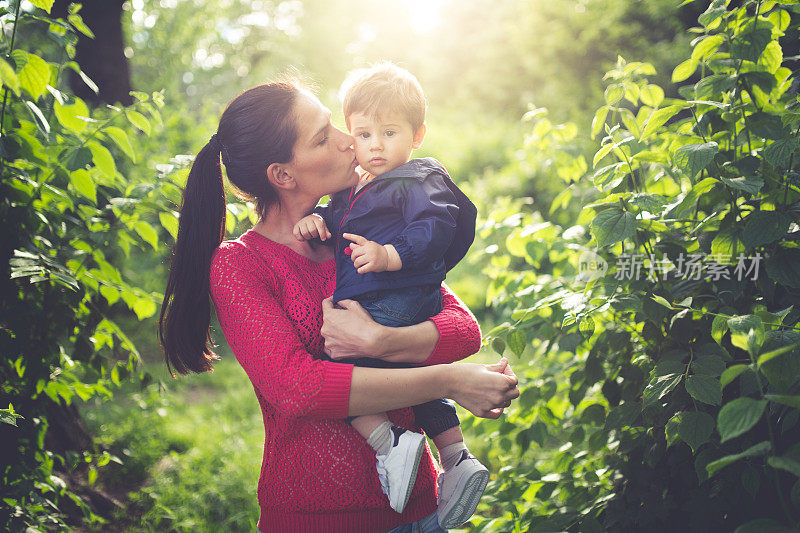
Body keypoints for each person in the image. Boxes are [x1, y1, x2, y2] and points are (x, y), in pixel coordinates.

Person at [158, 80, 519, 533]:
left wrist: (383, 341)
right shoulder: (242, 264)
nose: (351, 139)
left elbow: (463, 328)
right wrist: (449, 379)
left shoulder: (360, 229)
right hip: (321, 517)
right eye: (324, 137)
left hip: (423, 509)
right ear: (283, 175)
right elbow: (299, 388)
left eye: (333, 123)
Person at [292, 63, 486, 529]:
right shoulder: (358, 185)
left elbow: (435, 225)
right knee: (409, 373)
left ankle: (390, 443)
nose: (375, 144)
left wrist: (390, 255)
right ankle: (457, 458)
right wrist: (316, 219)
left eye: (389, 132)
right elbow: (342, 222)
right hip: (383, 294)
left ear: (418, 135)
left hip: (396, 294)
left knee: (339, 371)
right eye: (363, 133)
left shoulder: (420, 179)